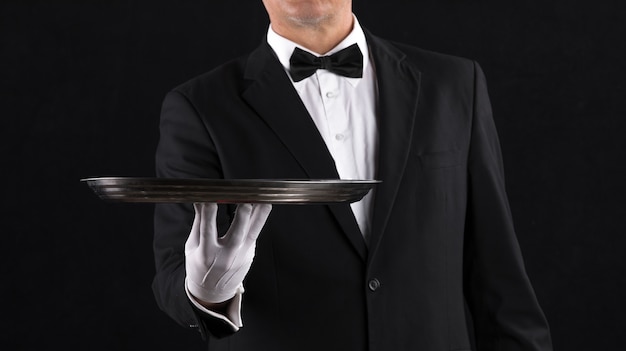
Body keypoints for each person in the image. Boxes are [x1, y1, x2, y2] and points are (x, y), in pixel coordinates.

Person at [152, 0, 553, 350]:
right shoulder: (199, 107)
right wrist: (206, 293)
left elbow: (500, 278)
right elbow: (171, 275)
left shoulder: (455, 84)